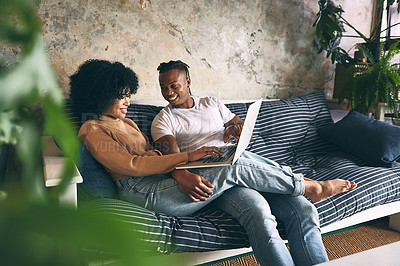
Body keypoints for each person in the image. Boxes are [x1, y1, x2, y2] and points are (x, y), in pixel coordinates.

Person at [150, 60, 357, 265]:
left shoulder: (211, 103)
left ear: (188, 81)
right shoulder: (163, 120)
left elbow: (239, 126)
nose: (168, 92)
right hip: (215, 178)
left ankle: (306, 190)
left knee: (304, 209)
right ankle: (307, 184)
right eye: (163, 87)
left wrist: (237, 130)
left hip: (242, 165)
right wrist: (183, 173)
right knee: (259, 212)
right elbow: (173, 161)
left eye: (173, 85)